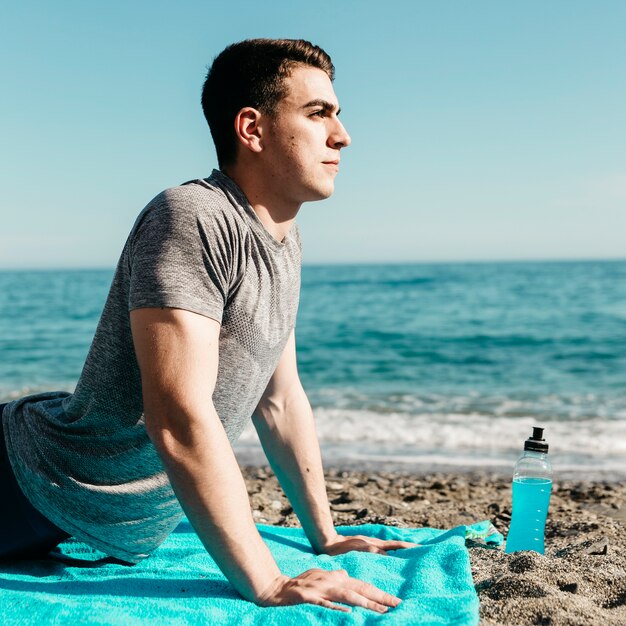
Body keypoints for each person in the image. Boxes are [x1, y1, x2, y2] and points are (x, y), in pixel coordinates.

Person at [0, 38, 415, 613]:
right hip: (37, 483)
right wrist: (268, 582)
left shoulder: (283, 239)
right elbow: (177, 413)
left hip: (94, 516)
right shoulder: (192, 216)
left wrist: (325, 535)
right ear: (252, 128)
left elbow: (280, 398)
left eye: (337, 115)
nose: (341, 136)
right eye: (319, 113)